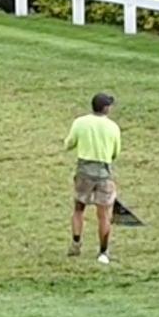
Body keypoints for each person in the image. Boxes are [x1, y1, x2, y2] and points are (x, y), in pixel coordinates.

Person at [63, 93, 121, 265]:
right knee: (103, 215)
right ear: (106, 108)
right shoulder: (113, 127)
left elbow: (69, 143)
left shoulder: (80, 122)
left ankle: (76, 243)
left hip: (84, 171)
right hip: (103, 173)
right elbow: (115, 153)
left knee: (79, 208)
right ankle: (103, 251)